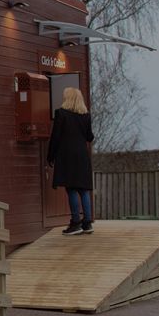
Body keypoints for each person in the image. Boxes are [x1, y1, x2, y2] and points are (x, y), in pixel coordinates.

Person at [48, 87, 96, 235]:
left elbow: (55, 137)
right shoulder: (86, 116)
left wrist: (50, 156)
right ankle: (87, 223)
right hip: (82, 155)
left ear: (67, 98)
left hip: (67, 155)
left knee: (71, 188)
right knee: (83, 189)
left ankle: (75, 223)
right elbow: (89, 137)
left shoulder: (61, 114)